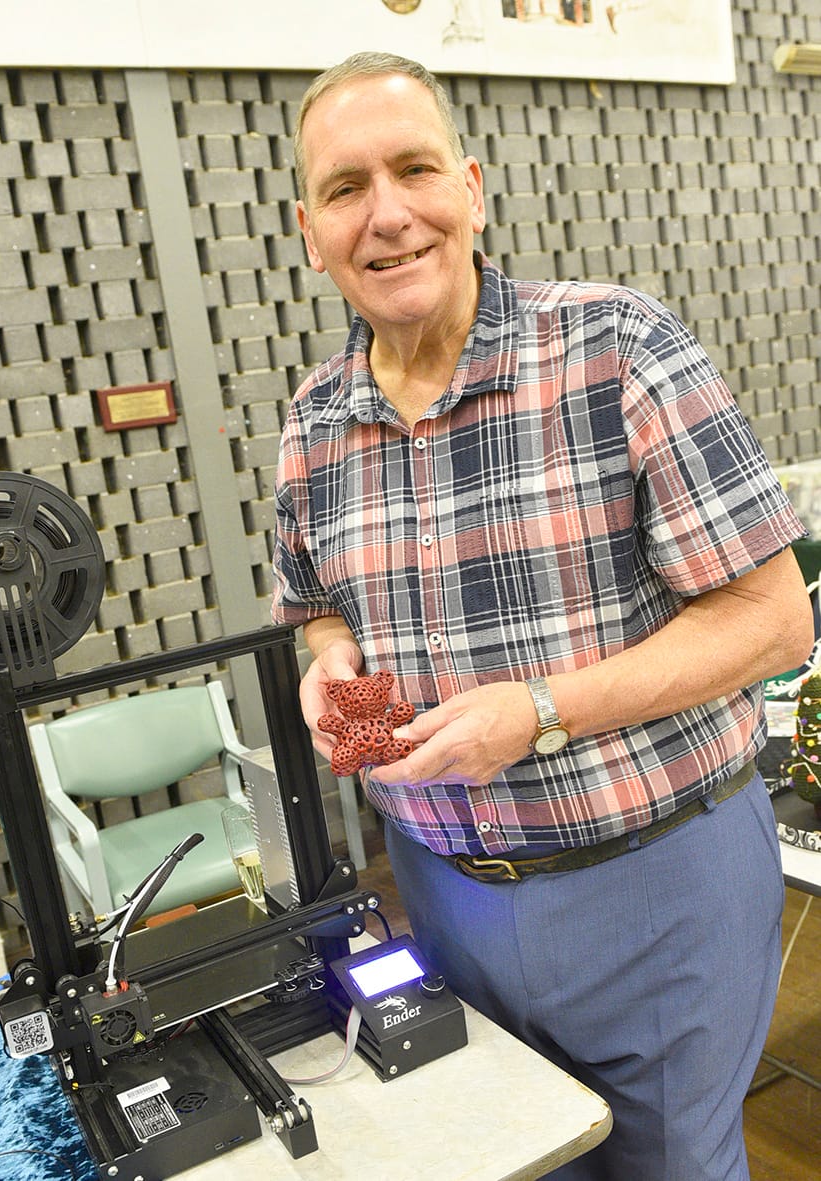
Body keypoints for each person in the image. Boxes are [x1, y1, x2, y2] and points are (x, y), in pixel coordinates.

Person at [270, 51, 815, 1180]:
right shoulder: (315, 422)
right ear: (308, 228)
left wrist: (539, 710)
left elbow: (772, 622)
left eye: (413, 169)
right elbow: (319, 610)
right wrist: (328, 662)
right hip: (437, 890)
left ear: (470, 188)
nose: (387, 214)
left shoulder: (615, 346)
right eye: (344, 187)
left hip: (656, 880)